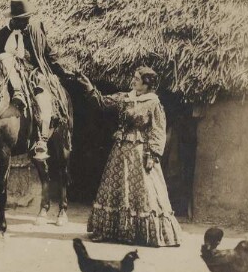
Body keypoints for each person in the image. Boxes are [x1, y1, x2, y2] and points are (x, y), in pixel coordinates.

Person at [76, 67, 183, 247]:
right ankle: (113, 231)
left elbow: (158, 129)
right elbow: (102, 102)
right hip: (120, 152)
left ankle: (143, 234)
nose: (133, 81)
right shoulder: (125, 97)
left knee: (145, 191)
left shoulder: (153, 103)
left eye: (136, 79)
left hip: (140, 153)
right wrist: (88, 86)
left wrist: (153, 154)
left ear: (147, 83)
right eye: (133, 77)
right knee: (116, 188)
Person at [0, 0, 73, 161]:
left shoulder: (34, 31)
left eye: (28, 18)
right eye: (23, 19)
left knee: (42, 96)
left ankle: (42, 139)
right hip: (6, 77)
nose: (27, 22)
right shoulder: (0, 36)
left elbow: (47, 55)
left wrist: (62, 72)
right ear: (14, 19)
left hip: (32, 73)